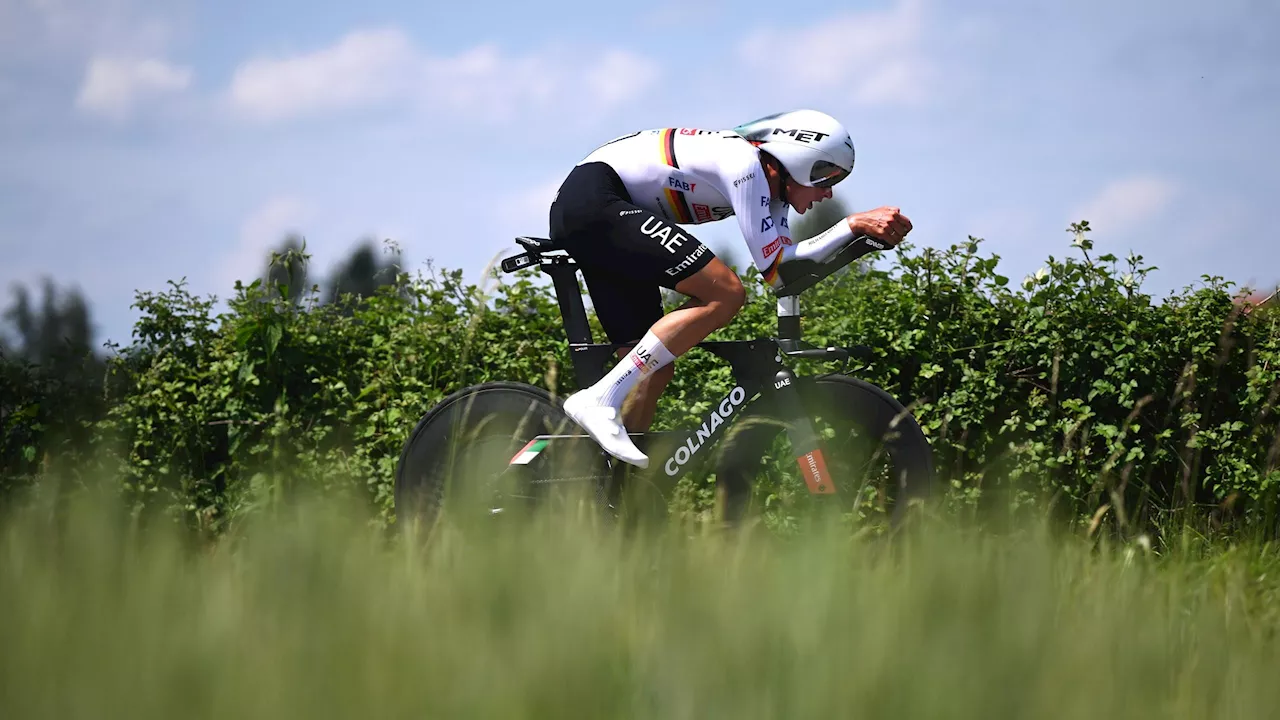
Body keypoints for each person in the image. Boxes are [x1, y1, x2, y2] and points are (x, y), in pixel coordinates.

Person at [548, 109, 912, 467]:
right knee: (725, 292)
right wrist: (852, 225)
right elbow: (776, 268)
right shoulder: (746, 164)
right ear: (797, 161)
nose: (828, 193)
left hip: (600, 210)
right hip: (594, 200)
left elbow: (786, 275)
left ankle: (616, 490)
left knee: (652, 369)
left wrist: (860, 240)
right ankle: (599, 399)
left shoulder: (773, 191)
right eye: (825, 177)